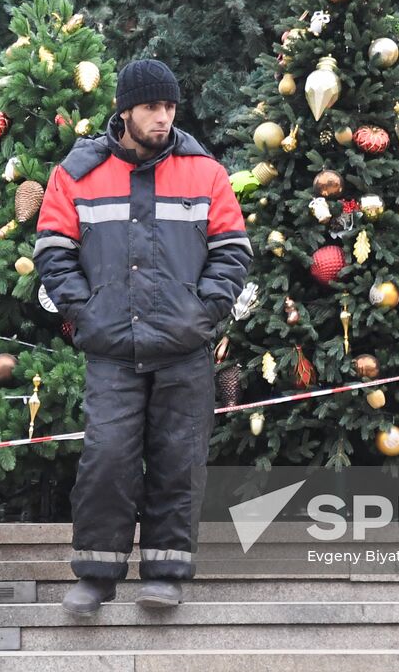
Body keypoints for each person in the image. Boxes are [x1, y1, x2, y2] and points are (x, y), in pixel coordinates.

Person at [33, 58, 252, 615]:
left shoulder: (205, 173)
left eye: (170, 107)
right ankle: (96, 575)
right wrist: (88, 315)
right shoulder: (76, 174)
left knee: (180, 459)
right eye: (152, 107)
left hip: (185, 348)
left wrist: (203, 313)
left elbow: (232, 252)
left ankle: (166, 571)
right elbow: (53, 255)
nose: (163, 117)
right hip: (111, 349)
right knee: (107, 458)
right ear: (125, 111)